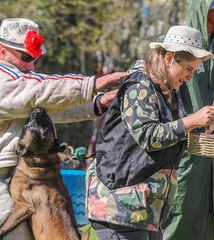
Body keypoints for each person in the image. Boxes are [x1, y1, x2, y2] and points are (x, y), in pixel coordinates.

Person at [85, 25, 214, 240]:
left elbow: (175, 136)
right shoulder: (139, 86)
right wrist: (191, 119)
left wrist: (212, 123)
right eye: (188, 68)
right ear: (169, 59)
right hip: (118, 205)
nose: (190, 77)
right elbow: (148, 136)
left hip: (144, 210)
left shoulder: (169, 93)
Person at [0, 17, 129, 239]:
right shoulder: (6, 80)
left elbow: (48, 106)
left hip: (15, 177)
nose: (31, 65)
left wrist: (97, 103)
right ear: (2, 52)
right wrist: (92, 85)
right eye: (26, 57)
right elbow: (39, 92)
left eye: (36, 59)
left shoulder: (19, 85)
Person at [161, 1, 214, 240]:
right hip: (183, 152)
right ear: (202, 5)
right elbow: (165, 96)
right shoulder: (178, 43)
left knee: (208, 219)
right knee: (177, 218)